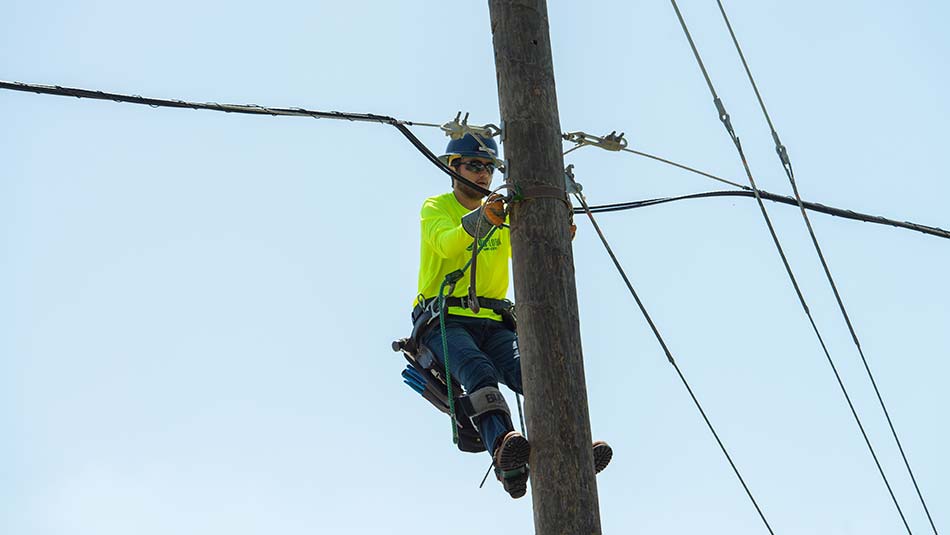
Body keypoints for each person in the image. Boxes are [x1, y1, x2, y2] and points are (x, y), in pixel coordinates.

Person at [411, 133, 611, 499]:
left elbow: (527, 248)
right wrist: (484, 219)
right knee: (478, 371)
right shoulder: (436, 206)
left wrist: (552, 228)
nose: (484, 175)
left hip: (493, 321)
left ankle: (575, 445)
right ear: (452, 167)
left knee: (537, 373)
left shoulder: (502, 213)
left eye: (489, 168)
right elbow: (447, 242)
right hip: (446, 322)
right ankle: (505, 449)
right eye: (474, 166)